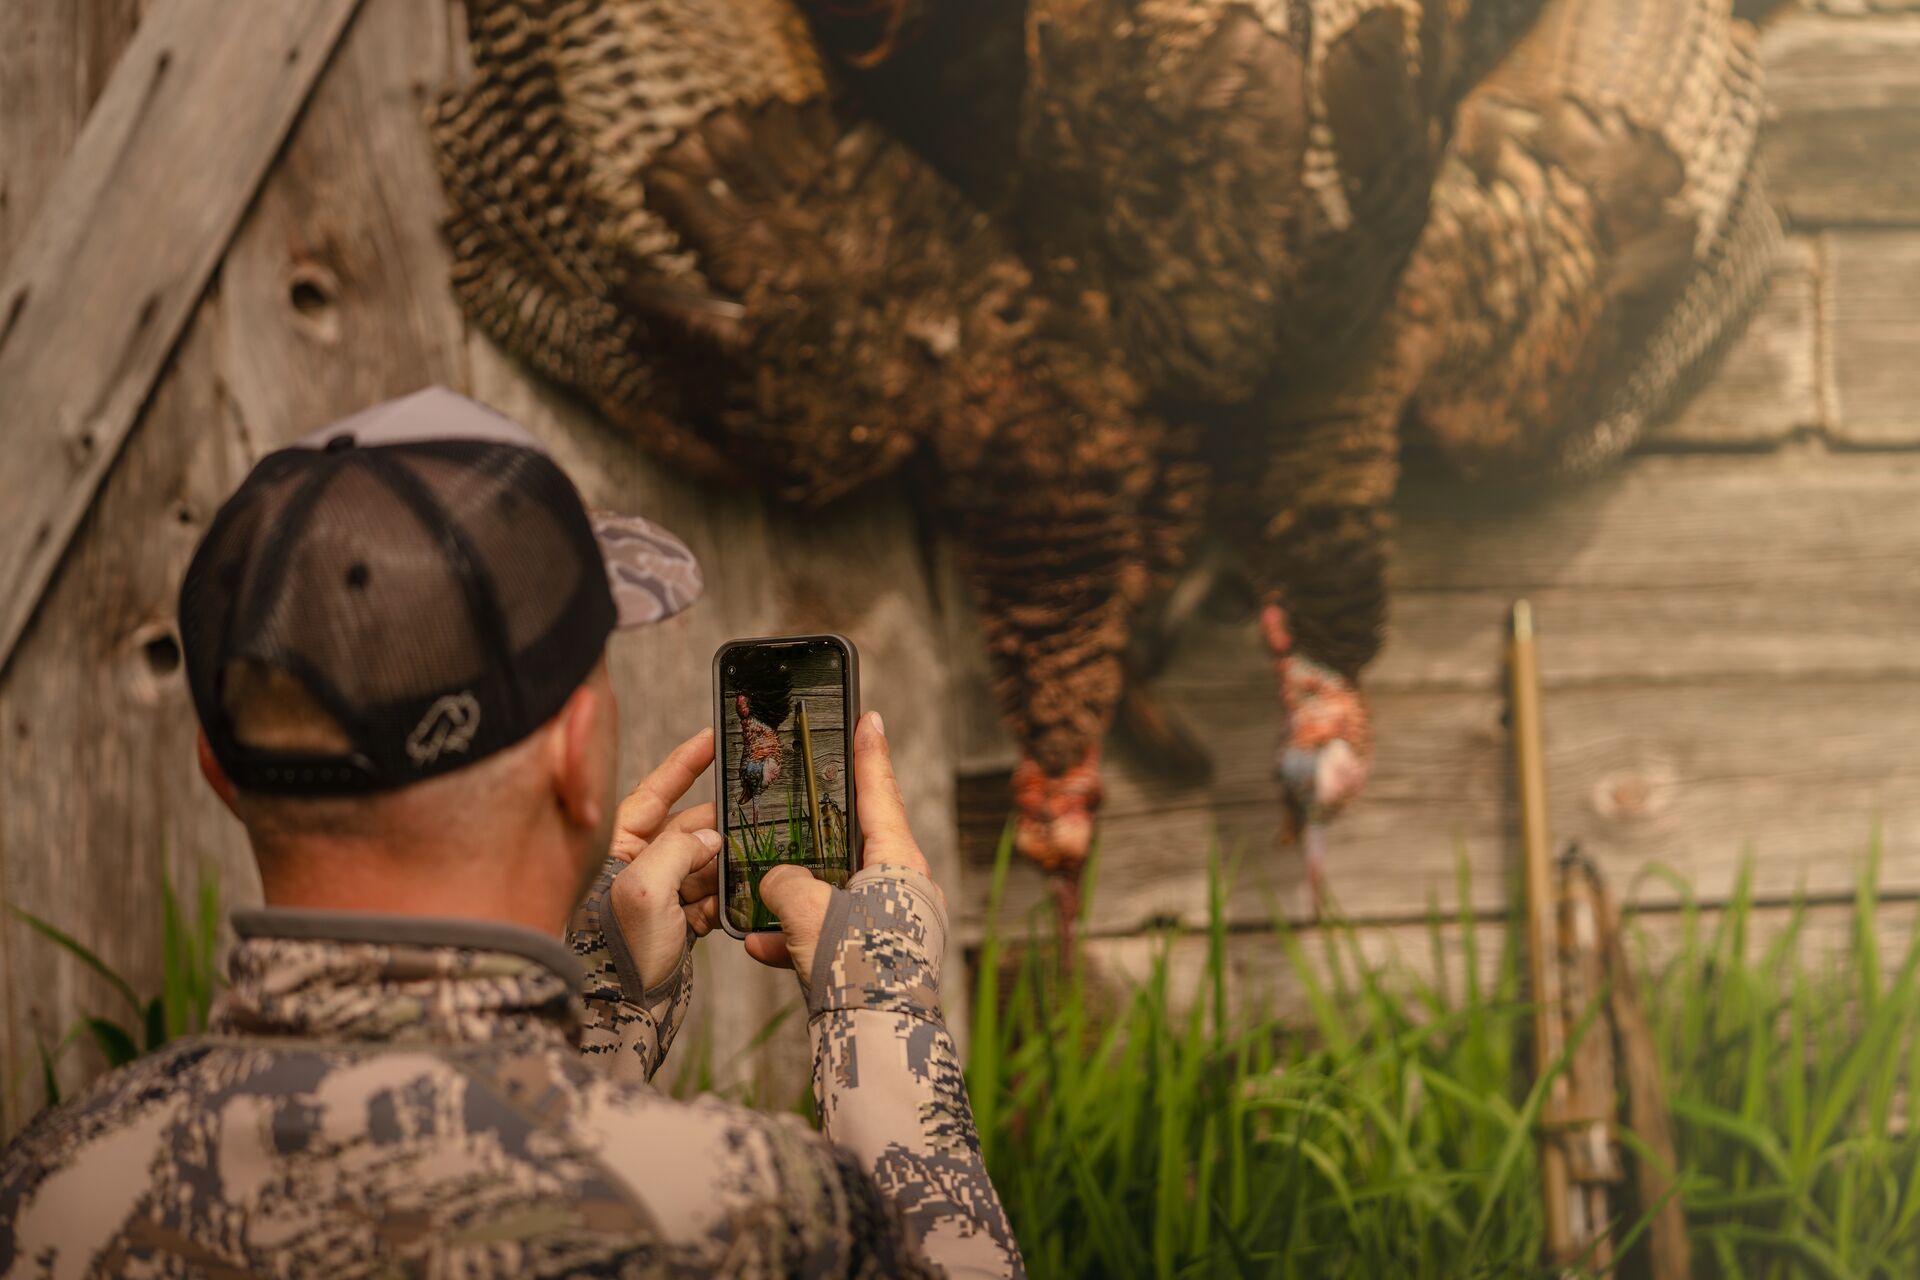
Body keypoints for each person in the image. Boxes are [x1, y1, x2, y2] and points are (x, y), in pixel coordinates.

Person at [0, 388, 1022, 1278]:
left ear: (217, 771)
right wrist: (883, 1007)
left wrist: (611, 1005)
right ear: (578, 759)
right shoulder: (746, 1211)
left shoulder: (53, 1186)